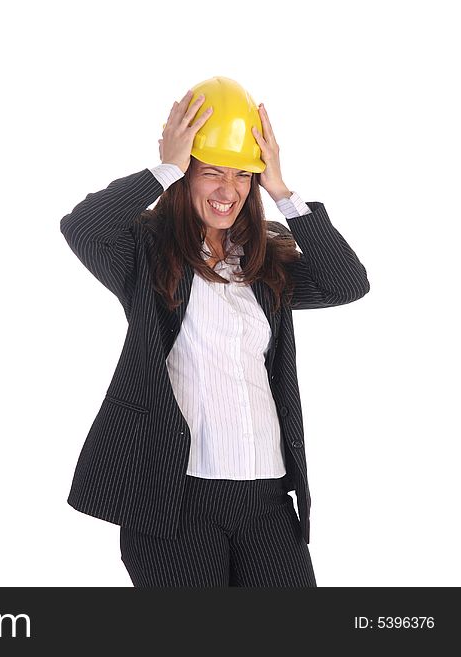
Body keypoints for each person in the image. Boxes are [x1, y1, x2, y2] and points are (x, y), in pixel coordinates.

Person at [60, 77, 369, 587]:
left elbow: (347, 284)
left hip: (266, 498)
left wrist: (280, 189)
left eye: (242, 175)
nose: (229, 191)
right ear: (186, 175)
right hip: (176, 498)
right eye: (210, 173)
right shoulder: (145, 252)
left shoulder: (265, 260)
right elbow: (84, 227)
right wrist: (165, 167)